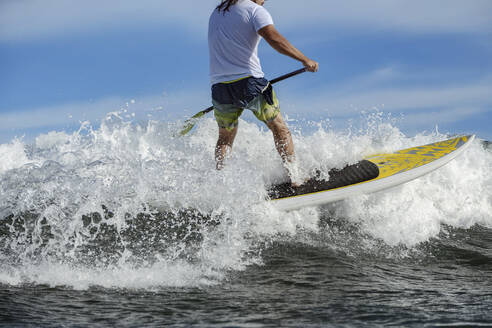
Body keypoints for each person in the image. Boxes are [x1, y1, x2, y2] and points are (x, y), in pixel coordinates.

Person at [208, 0, 318, 185]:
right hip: (250, 83)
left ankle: (221, 185)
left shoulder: (218, 12)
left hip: (220, 87)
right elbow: (273, 37)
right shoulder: (254, 10)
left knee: (225, 137)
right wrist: (304, 60)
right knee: (279, 128)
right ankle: (296, 177)